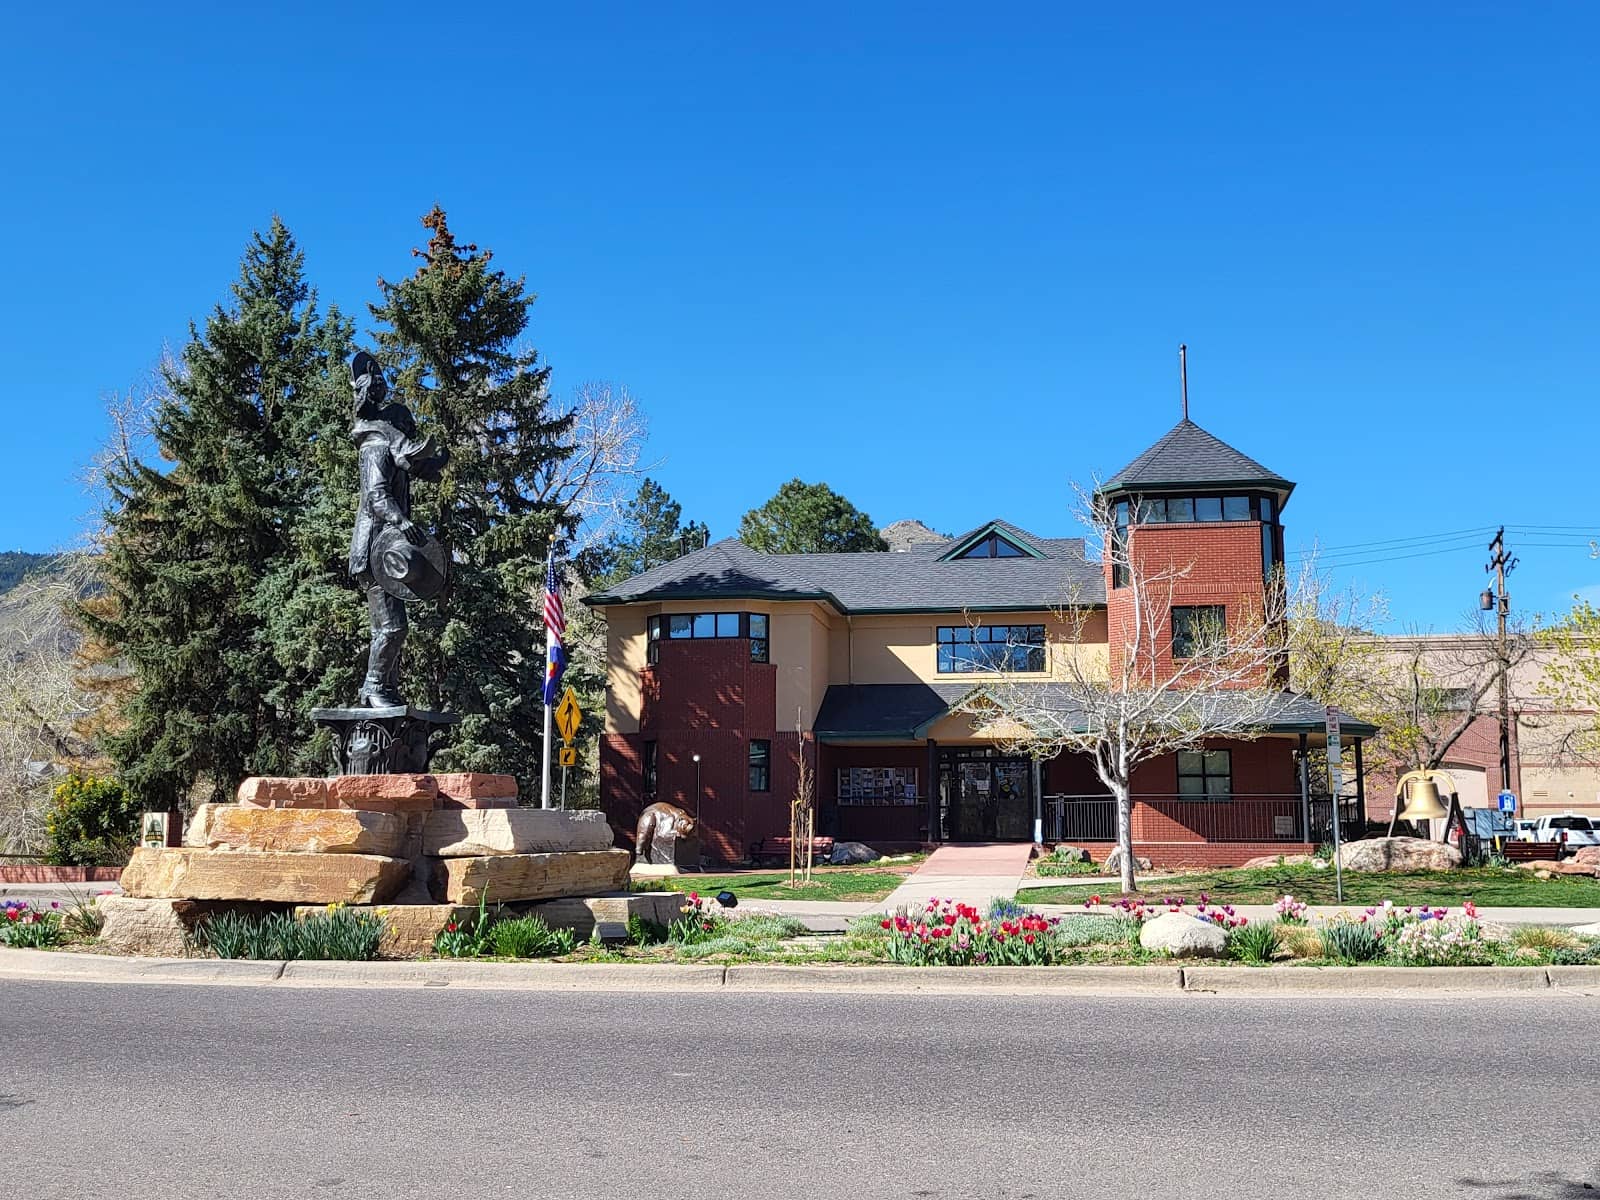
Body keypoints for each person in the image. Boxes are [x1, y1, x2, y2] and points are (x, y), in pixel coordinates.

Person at [346, 351, 448, 707]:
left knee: (388, 626)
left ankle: (382, 689)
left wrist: (436, 461)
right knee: (392, 626)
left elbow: (412, 466)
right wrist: (402, 522)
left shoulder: (389, 451)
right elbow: (377, 496)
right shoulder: (375, 447)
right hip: (375, 548)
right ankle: (375, 687)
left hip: (385, 549)